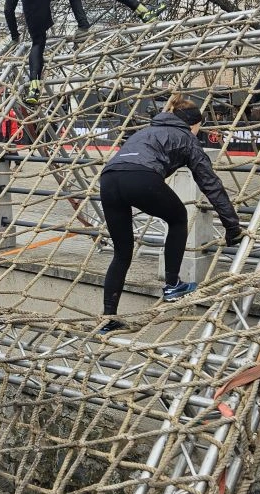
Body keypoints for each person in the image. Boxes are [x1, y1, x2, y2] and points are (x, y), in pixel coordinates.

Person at [98, 94, 242, 333]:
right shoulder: (187, 138)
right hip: (141, 177)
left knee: (122, 252)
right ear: (194, 125)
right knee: (178, 218)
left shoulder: (146, 130)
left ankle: (108, 318)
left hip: (109, 178)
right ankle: (173, 284)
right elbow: (211, 184)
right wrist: (232, 226)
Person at [4, 0, 162, 105]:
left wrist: (14, 37)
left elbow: (8, 9)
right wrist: (82, 25)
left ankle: (34, 88)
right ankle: (143, 12)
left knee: (38, 42)